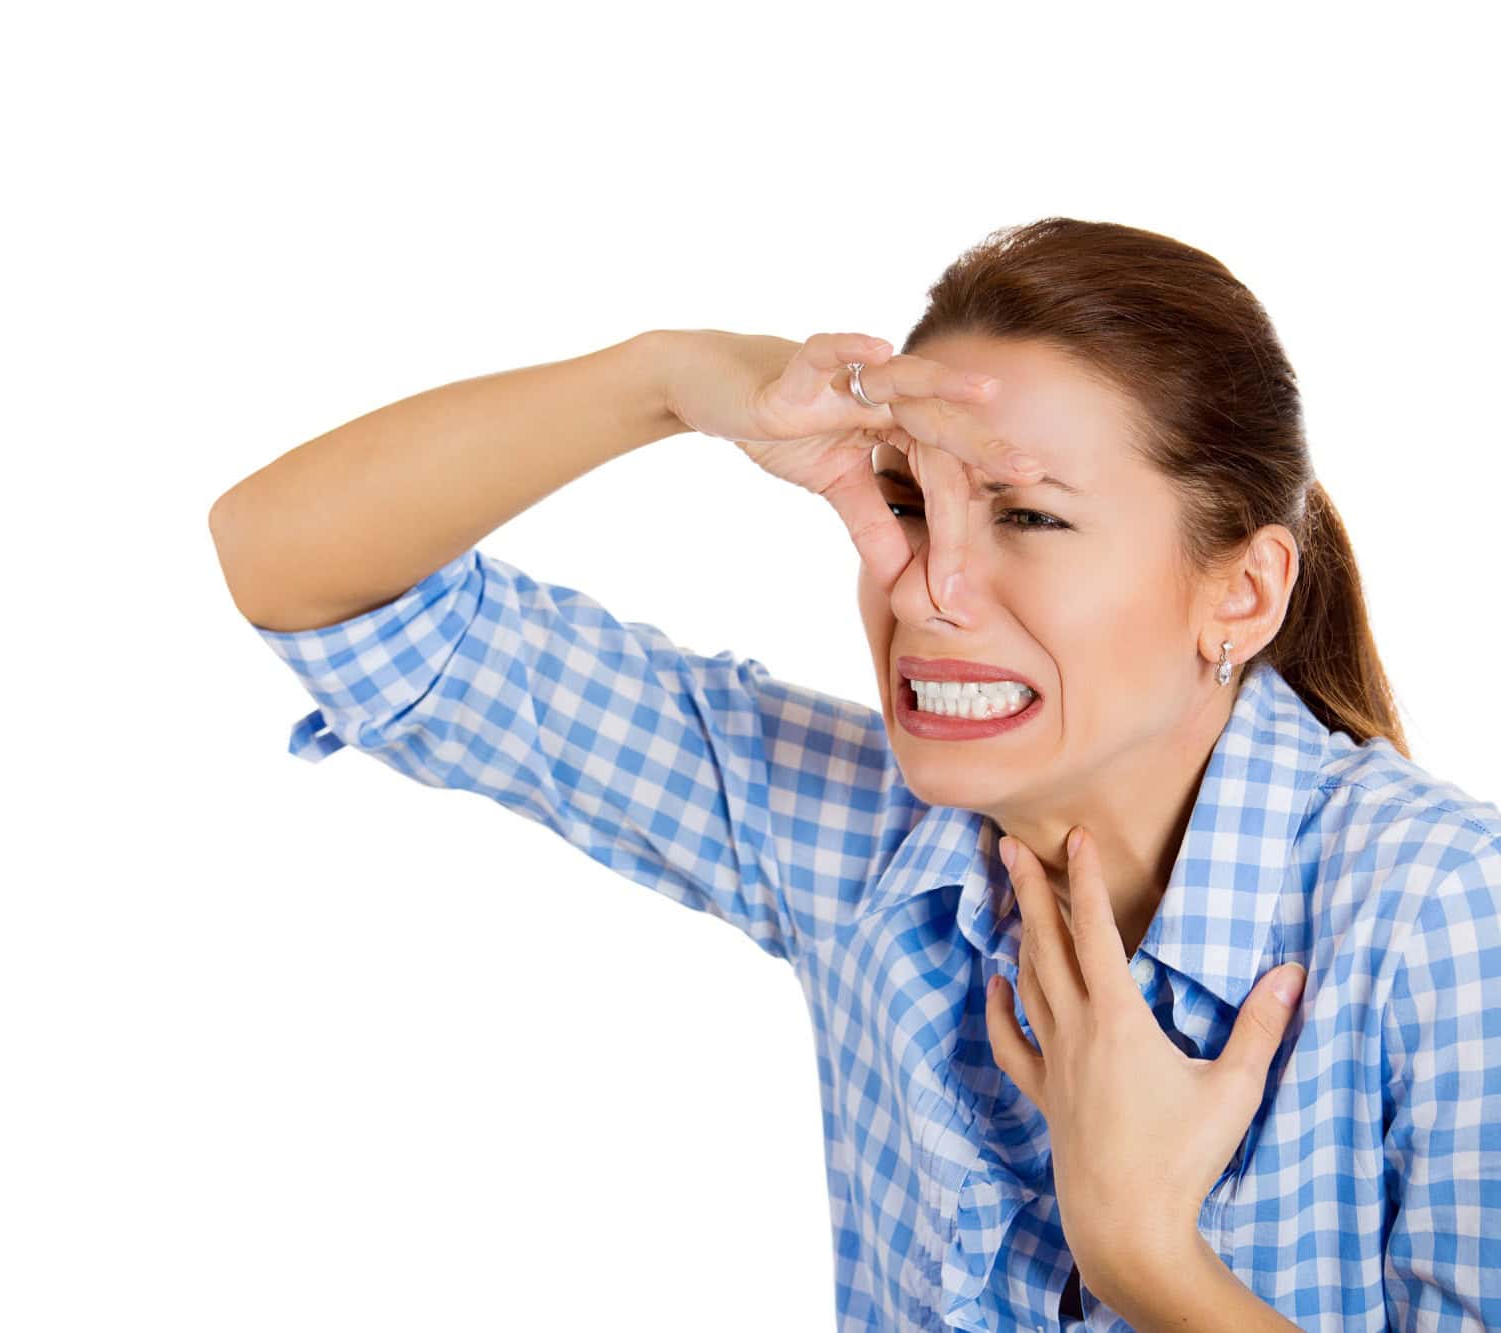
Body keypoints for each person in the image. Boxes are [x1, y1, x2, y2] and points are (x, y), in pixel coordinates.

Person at [208, 217, 1501, 1330]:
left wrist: (1150, 1257)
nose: (926, 588)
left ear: (1245, 588)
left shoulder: (1442, 918)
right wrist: (669, 379)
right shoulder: (853, 826)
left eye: (1029, 515)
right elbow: (298, 570)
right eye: (903, 499)